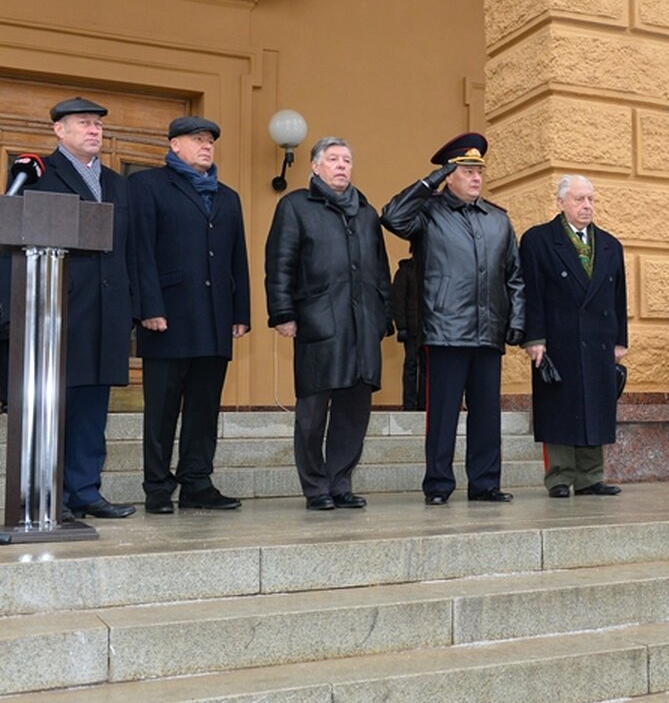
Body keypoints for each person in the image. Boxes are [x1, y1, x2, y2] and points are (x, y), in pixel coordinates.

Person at [0, 97, 137, 518]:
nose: (94, 130)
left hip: (106, 311)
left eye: (97, 124)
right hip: (54, 309)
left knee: (93, 407)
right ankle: (49, 496)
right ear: (59, 131)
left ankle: (85, 490)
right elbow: (12, 239)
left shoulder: (116, 183)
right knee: (54, 405)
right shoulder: (38, 174)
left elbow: (131, 249)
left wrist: (135, 307)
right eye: (83, 123)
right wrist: (10, 311)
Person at [381, 133, 525, 505]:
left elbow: (515, 276)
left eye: (479, 170)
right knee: (442, 416)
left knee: (486, 416)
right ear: (449, 175)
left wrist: (517, 320)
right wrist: (429, 183)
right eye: (466, 170)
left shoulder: (498, 220)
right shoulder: (428, 213)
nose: (476, 177)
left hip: (488, 331)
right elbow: (392, 216)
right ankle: (439, 484)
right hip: (445, 331)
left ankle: (485, 483)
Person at [129, 116, 250, 514]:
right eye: (197, 139)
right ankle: (158, 488)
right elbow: (140, 251)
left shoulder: (228, 196)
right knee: (162, 409)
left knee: (204, 407)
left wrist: (240, 311)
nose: (206, 146)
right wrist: (148, 307)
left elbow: (237, 258)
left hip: (215, 317)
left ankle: (197, 482)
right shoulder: (147, 186)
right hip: (168, 316)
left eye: (210, 141)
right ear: (174, 145)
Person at [265, 137, 392, 510]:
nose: (341, 166)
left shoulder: (366, 213)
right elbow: (279, 265)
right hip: (318, 322)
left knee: (354, 412)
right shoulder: (295, 206)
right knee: (313, 413)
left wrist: (383, 316)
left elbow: (381, 270)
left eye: (347, 160)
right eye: (333, 159)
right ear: (315, 167)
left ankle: (340, 482)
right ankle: (316, 487)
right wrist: (283, 313)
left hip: (363, 323)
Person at [519, 175, 627, 498]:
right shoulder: (538, 240)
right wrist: (534, 338)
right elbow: (532, 294)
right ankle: (560, 477)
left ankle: (590, 476)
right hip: (558, 338)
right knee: (560, 407)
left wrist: (620, 340)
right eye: (579, 199)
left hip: (599, 338)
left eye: (591, 199)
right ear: (561, 202)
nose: (587, 206)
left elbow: (618, 296)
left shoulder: (609, 244)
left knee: (596, 403)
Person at [392, 254, 426, 411]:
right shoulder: (404, 272)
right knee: (411, 366)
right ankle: (409, 405)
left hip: (428, 331)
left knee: (426, 369)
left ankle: (424, 404)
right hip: (411, 330)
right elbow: (398, 300)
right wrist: (402, 326)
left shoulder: (429, 271)